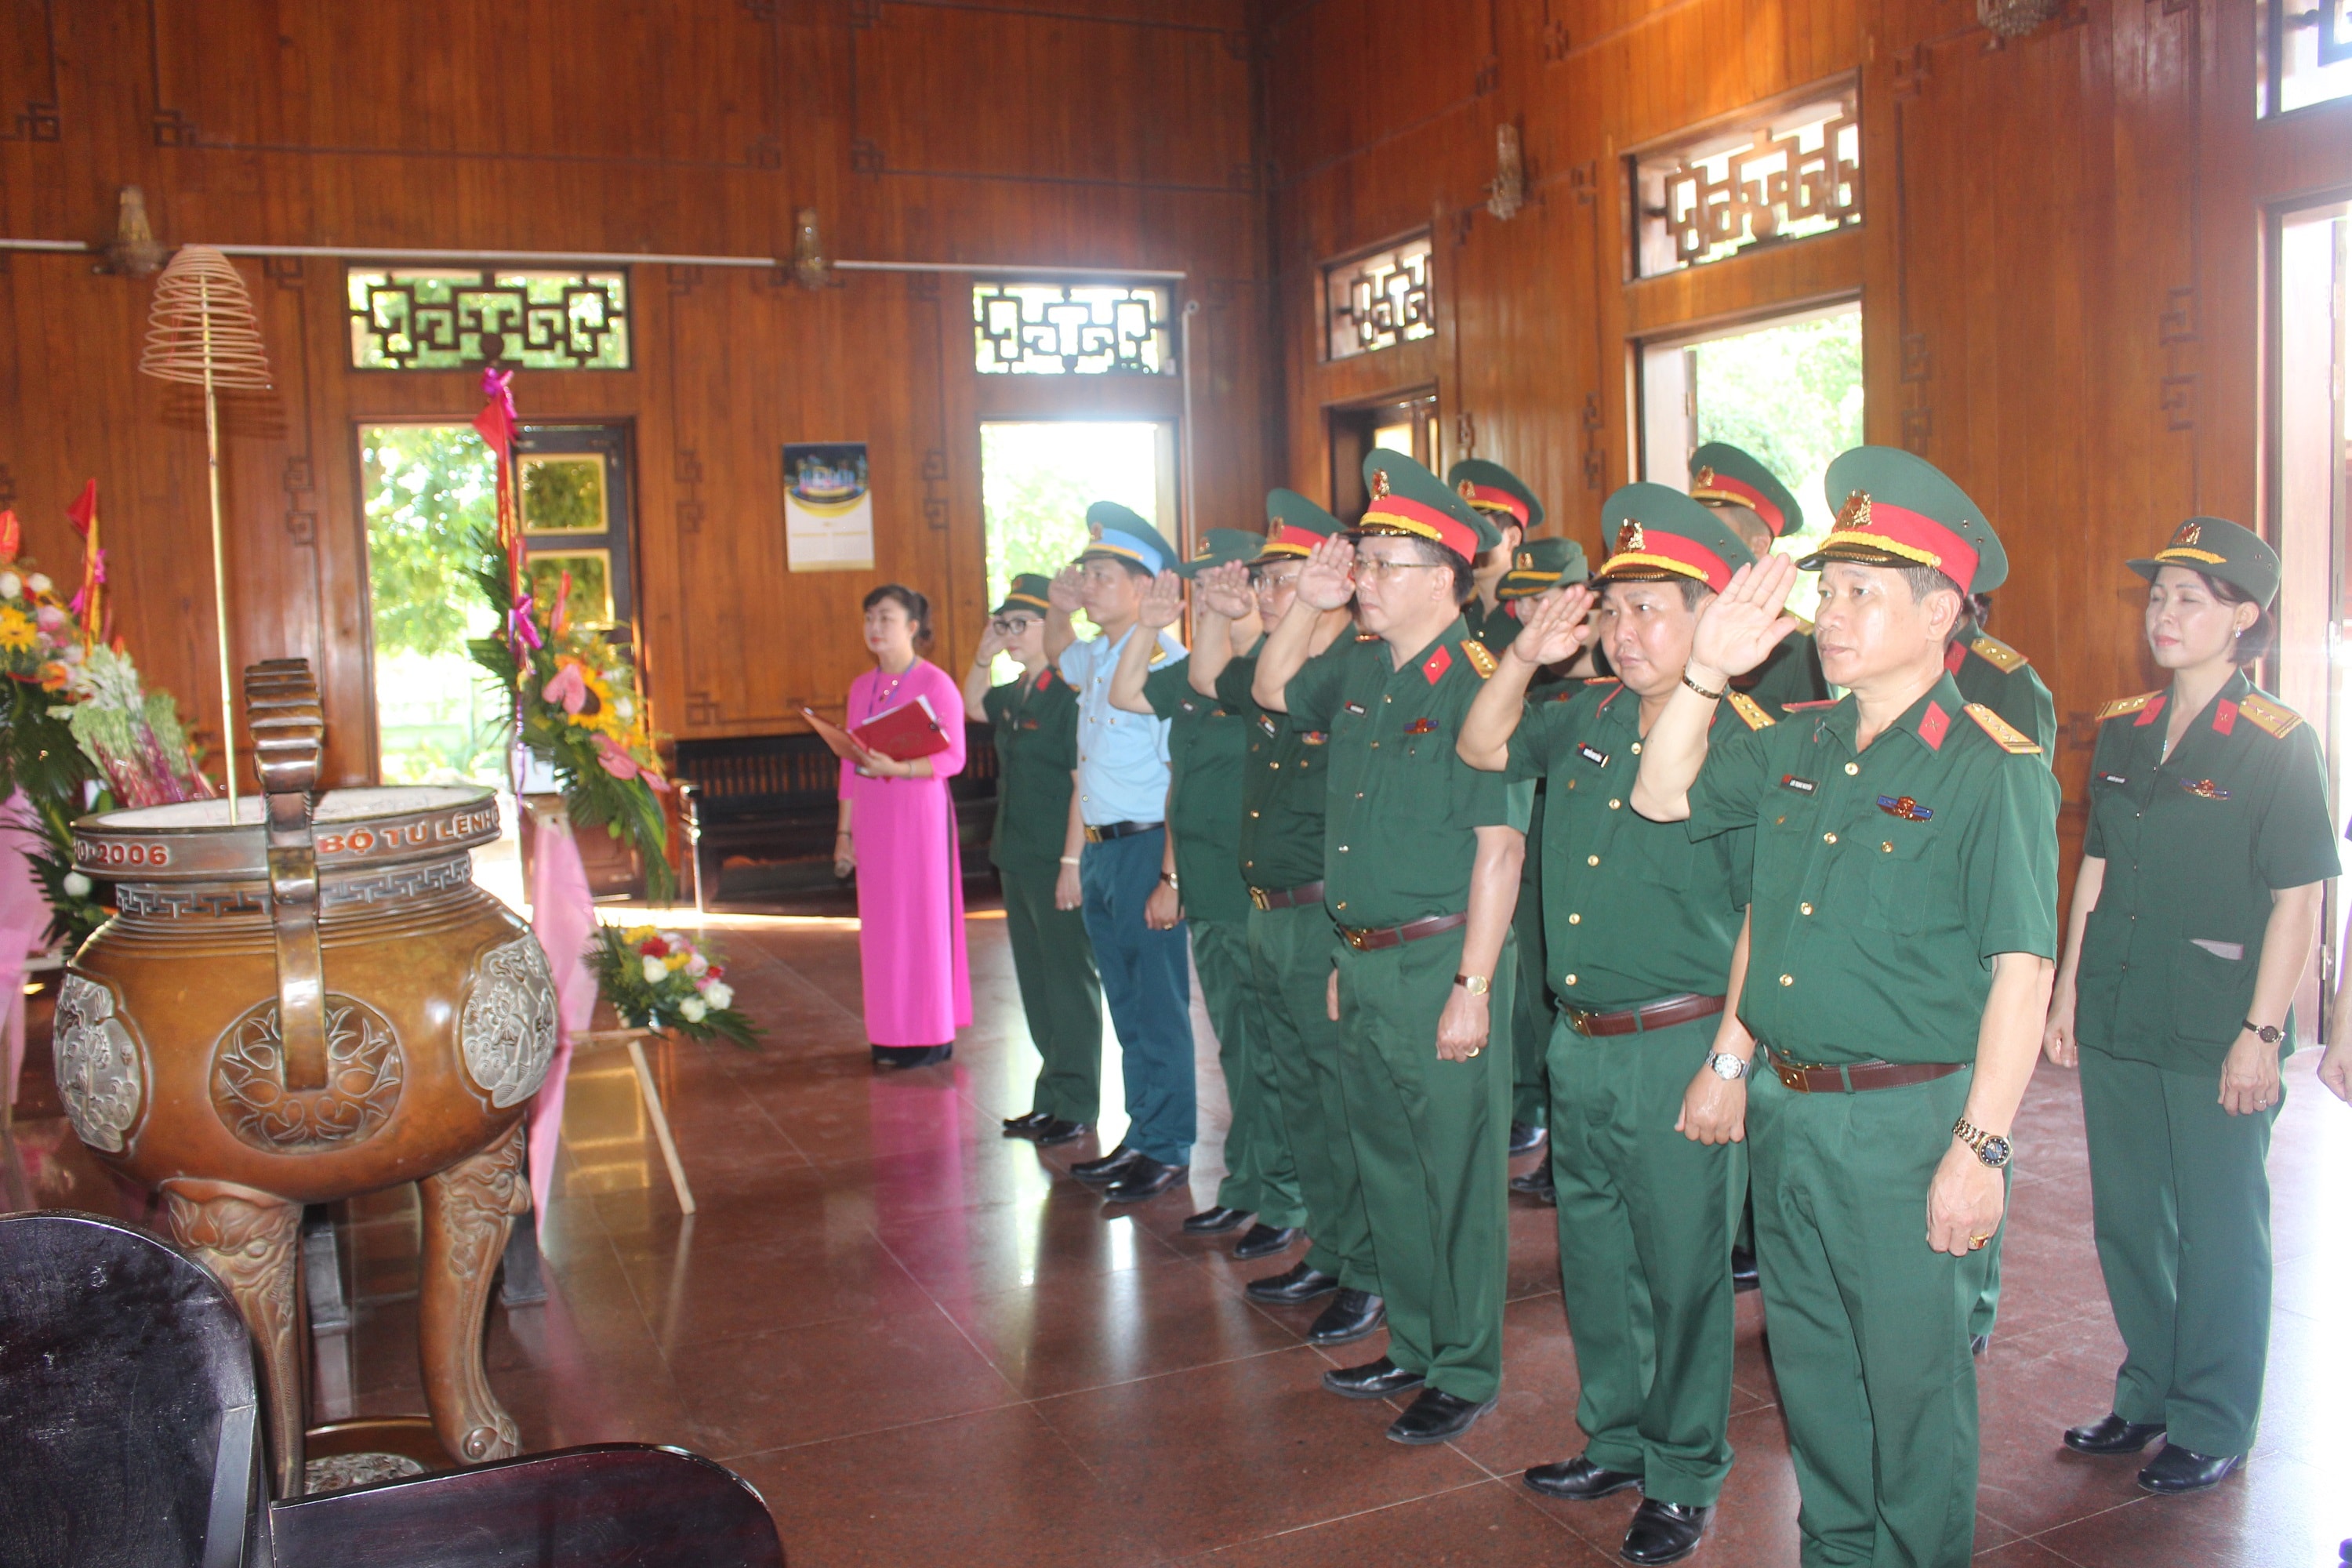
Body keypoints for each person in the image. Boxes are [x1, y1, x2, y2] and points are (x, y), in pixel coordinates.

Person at [1629, 445, 2060, 1568]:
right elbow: (1661, 789)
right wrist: (1708, 676)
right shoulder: (1805, 742)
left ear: (1941, 612)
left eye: (1863, 592)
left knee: (1913, 1394)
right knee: (1814, 1376)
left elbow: (2023, 970)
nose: (1832, 613)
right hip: (1793, 1109)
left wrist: (1982, 1146)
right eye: (1829, 590)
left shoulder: (1989, 765)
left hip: (1908, 1122)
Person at [1460, 489, 1770, 1566]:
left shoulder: (1743, 742)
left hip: (1679, 1042)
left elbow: (1760, 924)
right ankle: (1619, 1433)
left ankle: (1684, 1473)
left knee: (1683, 1271)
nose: (1629, 635)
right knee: (1594, 1256)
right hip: (1580, 1039)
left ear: (1709, 618)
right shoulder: (1583, 714)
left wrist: (1729, 1061)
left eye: (1655, 612)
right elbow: (1480, 743)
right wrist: (1523, 655)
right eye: (1617, 611)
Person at [2042, 517, 2336, 1496]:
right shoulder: (2125, 726)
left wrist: (2262, 1034)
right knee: (2129, 1215)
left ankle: (2215, 1416)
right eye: (2158, 595)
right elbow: (2094, 864)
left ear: (2243, 620)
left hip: (2217, 1020)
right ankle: (2150, 1390)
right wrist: (2065, 987)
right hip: (2122, 1004)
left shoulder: (2280, 743)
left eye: (2189, 600)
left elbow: (2298, 896)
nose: (2163, 614)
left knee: (2217, 1223)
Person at [1253, 451, 1529, 1446]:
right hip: (1361, 956)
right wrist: (1308, 603)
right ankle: (1414, 1341)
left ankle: (1466, 1364)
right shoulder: (1362, 666)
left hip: (1438, 958)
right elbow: (1273, 687)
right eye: (1360, 558)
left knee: (1455, 1177)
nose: (1362, 575)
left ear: (1442, 577)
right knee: (1390, 1165)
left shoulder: (1482, 683)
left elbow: (1498, 851)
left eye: (1380, 561)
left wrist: (1474, 986)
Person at [1189, 491, 1385, 1347]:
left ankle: (1369, 1269)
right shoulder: (1281, 665)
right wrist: (1222, 613)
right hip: (1269, 914)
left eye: (1285, 579)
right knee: (1301, 1093)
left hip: (1320, 916)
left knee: (1344, 1102)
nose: (1271, 595)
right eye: (1269, 581)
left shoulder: (1353, 671)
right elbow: (1209, 676)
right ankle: (1330, 1245)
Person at [1109, 529, 1306, 1259]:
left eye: (1236, 581)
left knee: (1269, 1053)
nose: (1224, 595)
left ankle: (1285, 1196)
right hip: (1211, 888)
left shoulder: (1275, 674)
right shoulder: (1202, 670)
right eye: (1208, 585)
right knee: (1238, 1052)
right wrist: (1149, 628)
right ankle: (1250, 1185)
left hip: (1254, 888)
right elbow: (1126, 693)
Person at [1043, 503, 1195, 1203]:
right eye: (1088, 572)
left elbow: (1179, 781)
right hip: (1103, 851)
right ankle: (1141, 1134)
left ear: (1146, 588)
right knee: (1128, 1007)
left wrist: (1170, 874)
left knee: (1158, 1006)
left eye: (1105, 574)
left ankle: (1167, 1145)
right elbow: (1054, 652)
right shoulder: (1100, 655)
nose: (1090, 583)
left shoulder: (1164, 663)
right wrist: (1056, 605)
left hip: (1143, 847)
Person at [964, 575, 1102, 1145]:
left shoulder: (1069, 695)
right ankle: (1051, 1096)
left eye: (1023, 623)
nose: (1011, 634)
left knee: (1068, 982)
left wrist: (1073, 862)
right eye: (1005, 623)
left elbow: (1082, 784)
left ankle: (1078, 1102)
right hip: (1016, 854)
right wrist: (982, 652)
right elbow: (971, 703)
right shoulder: (1018, 692)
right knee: (1036, 981)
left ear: (1055, 627)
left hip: (1055, 858)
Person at [1486, 537, 1594, 1205]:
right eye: (1521, 600)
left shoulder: (1606, 677)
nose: (1529, 612)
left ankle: (1570, 1143)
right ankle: (1560, 1137)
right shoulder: (1525, 674)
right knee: (1540, 1005)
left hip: (1582, 864)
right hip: (1533, 866)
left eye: (1543, 597)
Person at [834, 583, 972, 1069]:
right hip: (873, 814)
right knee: (881, 927)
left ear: (913, 627)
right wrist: (843, 834)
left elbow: (954, 756)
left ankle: (931, 1033)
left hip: (918, 813)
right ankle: (889, 1033)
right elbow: (849, 765)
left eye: (885, 618)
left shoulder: (936, 684)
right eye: (869, 617)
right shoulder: (860, 687)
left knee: (922, 920)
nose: (874, 628)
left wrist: (900, 769)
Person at [1690, 443, 1829, 715]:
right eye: (1695, 530)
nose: (1700, 544)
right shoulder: (1674, 620)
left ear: (1758, 545)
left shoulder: (1795, 646)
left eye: (1716, 534)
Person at [1450, 459, 1542, 659]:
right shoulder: (1460, 616)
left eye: (1481, 532)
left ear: (1512, 538)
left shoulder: (1530, 617)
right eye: (1463, 530)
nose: (1468, 542)